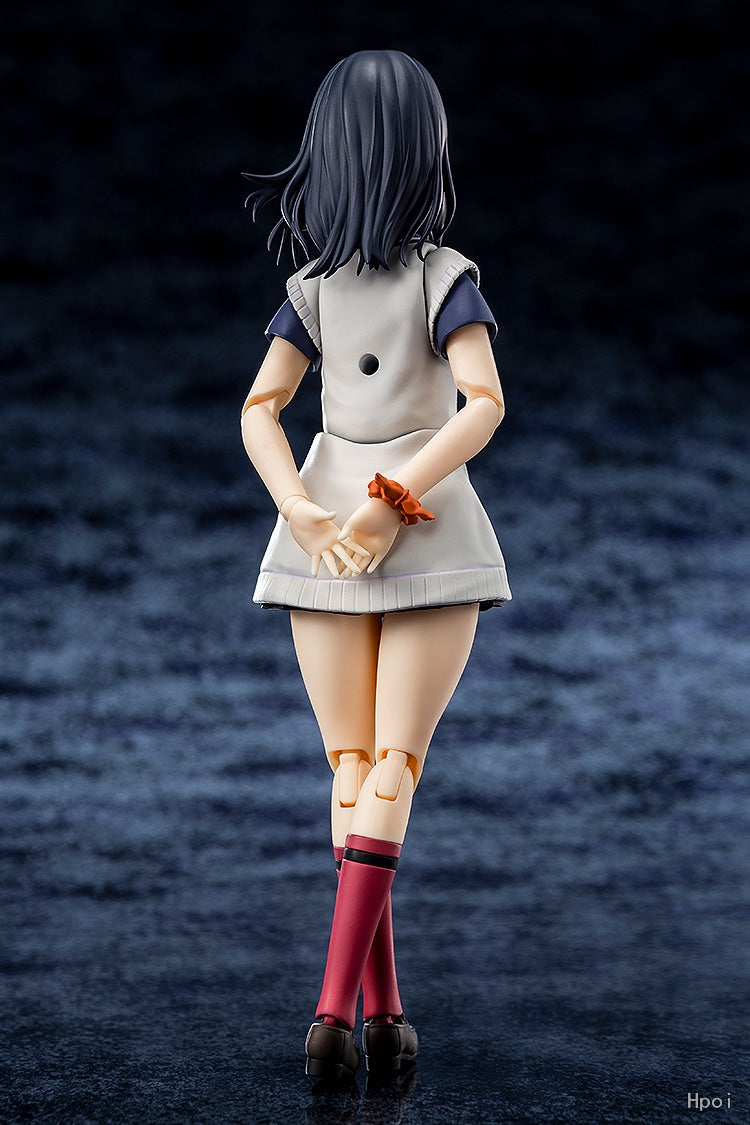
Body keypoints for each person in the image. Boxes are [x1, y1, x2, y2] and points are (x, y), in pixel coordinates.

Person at [240, 49, 511, 1081]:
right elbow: (261, 409)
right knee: (362, 768)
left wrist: (392, 498)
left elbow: (483, 404)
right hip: (333, 541)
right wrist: (304, 511)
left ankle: (330, 1010)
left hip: (422, 531)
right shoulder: (312, 289)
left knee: (379, 765)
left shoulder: (446, 279)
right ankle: (381, 1011)